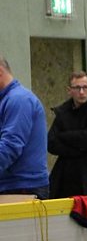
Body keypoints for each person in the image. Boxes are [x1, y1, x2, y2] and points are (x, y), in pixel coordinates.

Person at [47, 71, 87, 198]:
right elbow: (51, 143)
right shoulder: (63, 112)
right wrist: (80, 148)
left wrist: (64, 136)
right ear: (69, 90)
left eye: (85, 87)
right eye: (77, 88)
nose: (82, 92)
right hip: (66, 181)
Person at [0, 55, 49, 200]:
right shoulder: (10, 100)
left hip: (22, 188)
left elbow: (10, 145)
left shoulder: (18, 100)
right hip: (15, 185)